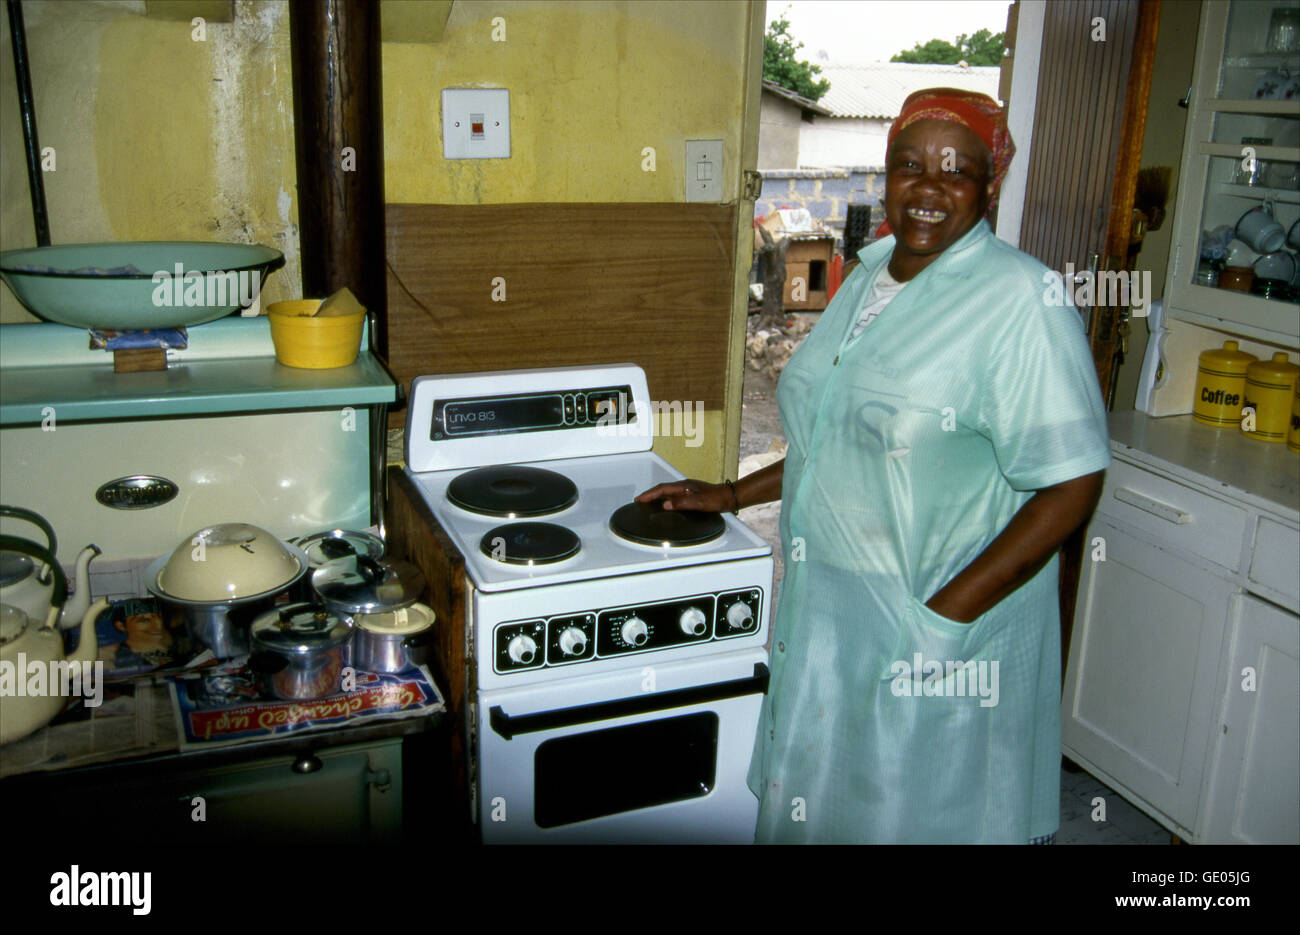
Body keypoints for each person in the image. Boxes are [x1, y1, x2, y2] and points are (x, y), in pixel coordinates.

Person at [637, 88, 1110, 844]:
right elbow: (835, 434)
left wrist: (946, 614)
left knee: (915, 812)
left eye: (957, 171)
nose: (927, 188)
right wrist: (729, 493)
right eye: (908, 165)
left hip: (938, 621)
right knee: (825, 804)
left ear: (991, 186)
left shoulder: (1022, 301)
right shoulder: (869, 274)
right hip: (833, 614)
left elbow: (1072, 479)